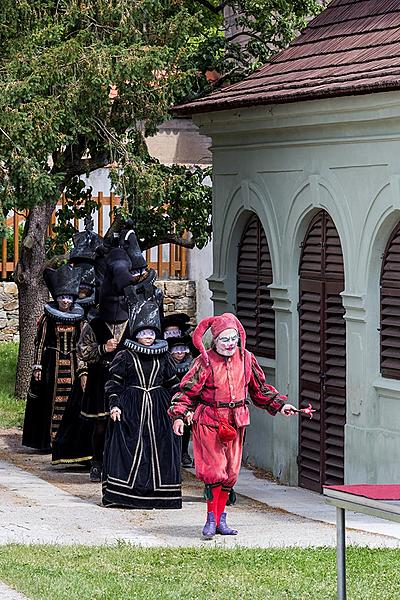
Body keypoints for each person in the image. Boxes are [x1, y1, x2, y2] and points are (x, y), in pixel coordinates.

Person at [169, 312, 297, 539]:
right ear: (214, 341)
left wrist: (280, 406)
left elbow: (260, 390)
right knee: (215, 470)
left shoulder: (247, 359)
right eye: (224, 340)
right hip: (209, 420)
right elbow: (187, 392)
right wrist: (179, 415)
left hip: (236, 420)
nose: (230, 344)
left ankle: (221, 519)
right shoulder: (204, 362)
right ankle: (210, 519)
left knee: (230, 472)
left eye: (233, 339)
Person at [102, 316, 182, 509]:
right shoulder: (125, 355)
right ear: (136, 335)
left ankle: (160, 495)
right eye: (144, 333)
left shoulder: (163, 356)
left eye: (152, 333)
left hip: (159, 410)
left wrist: (180, 409)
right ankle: (125, 495)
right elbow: (114, 383)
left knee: (161, 447)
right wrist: (114, 405)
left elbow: (173, 384)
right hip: (132, 408)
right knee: (131, 447)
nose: (148, 337)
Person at [22, 264, 84, 452]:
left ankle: (67, 442)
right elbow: (39, 343)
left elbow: (82, 344)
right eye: (62, 297)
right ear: (56, 298)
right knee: (49, 401)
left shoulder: (80, 319)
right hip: (51, 364)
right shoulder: (47, 319)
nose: (65, 301)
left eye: (68, 297)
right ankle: (49, 441)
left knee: (73, 402)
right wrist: (37, 366)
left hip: (73, 363)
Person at [167, 334, 194, 467]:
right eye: (176, 350)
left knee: (186, 427)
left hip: (187, 400)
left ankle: (184, 453)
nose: (180, 353)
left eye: (183, 349)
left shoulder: (192, 365)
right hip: (169, 398)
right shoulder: (166, 363)